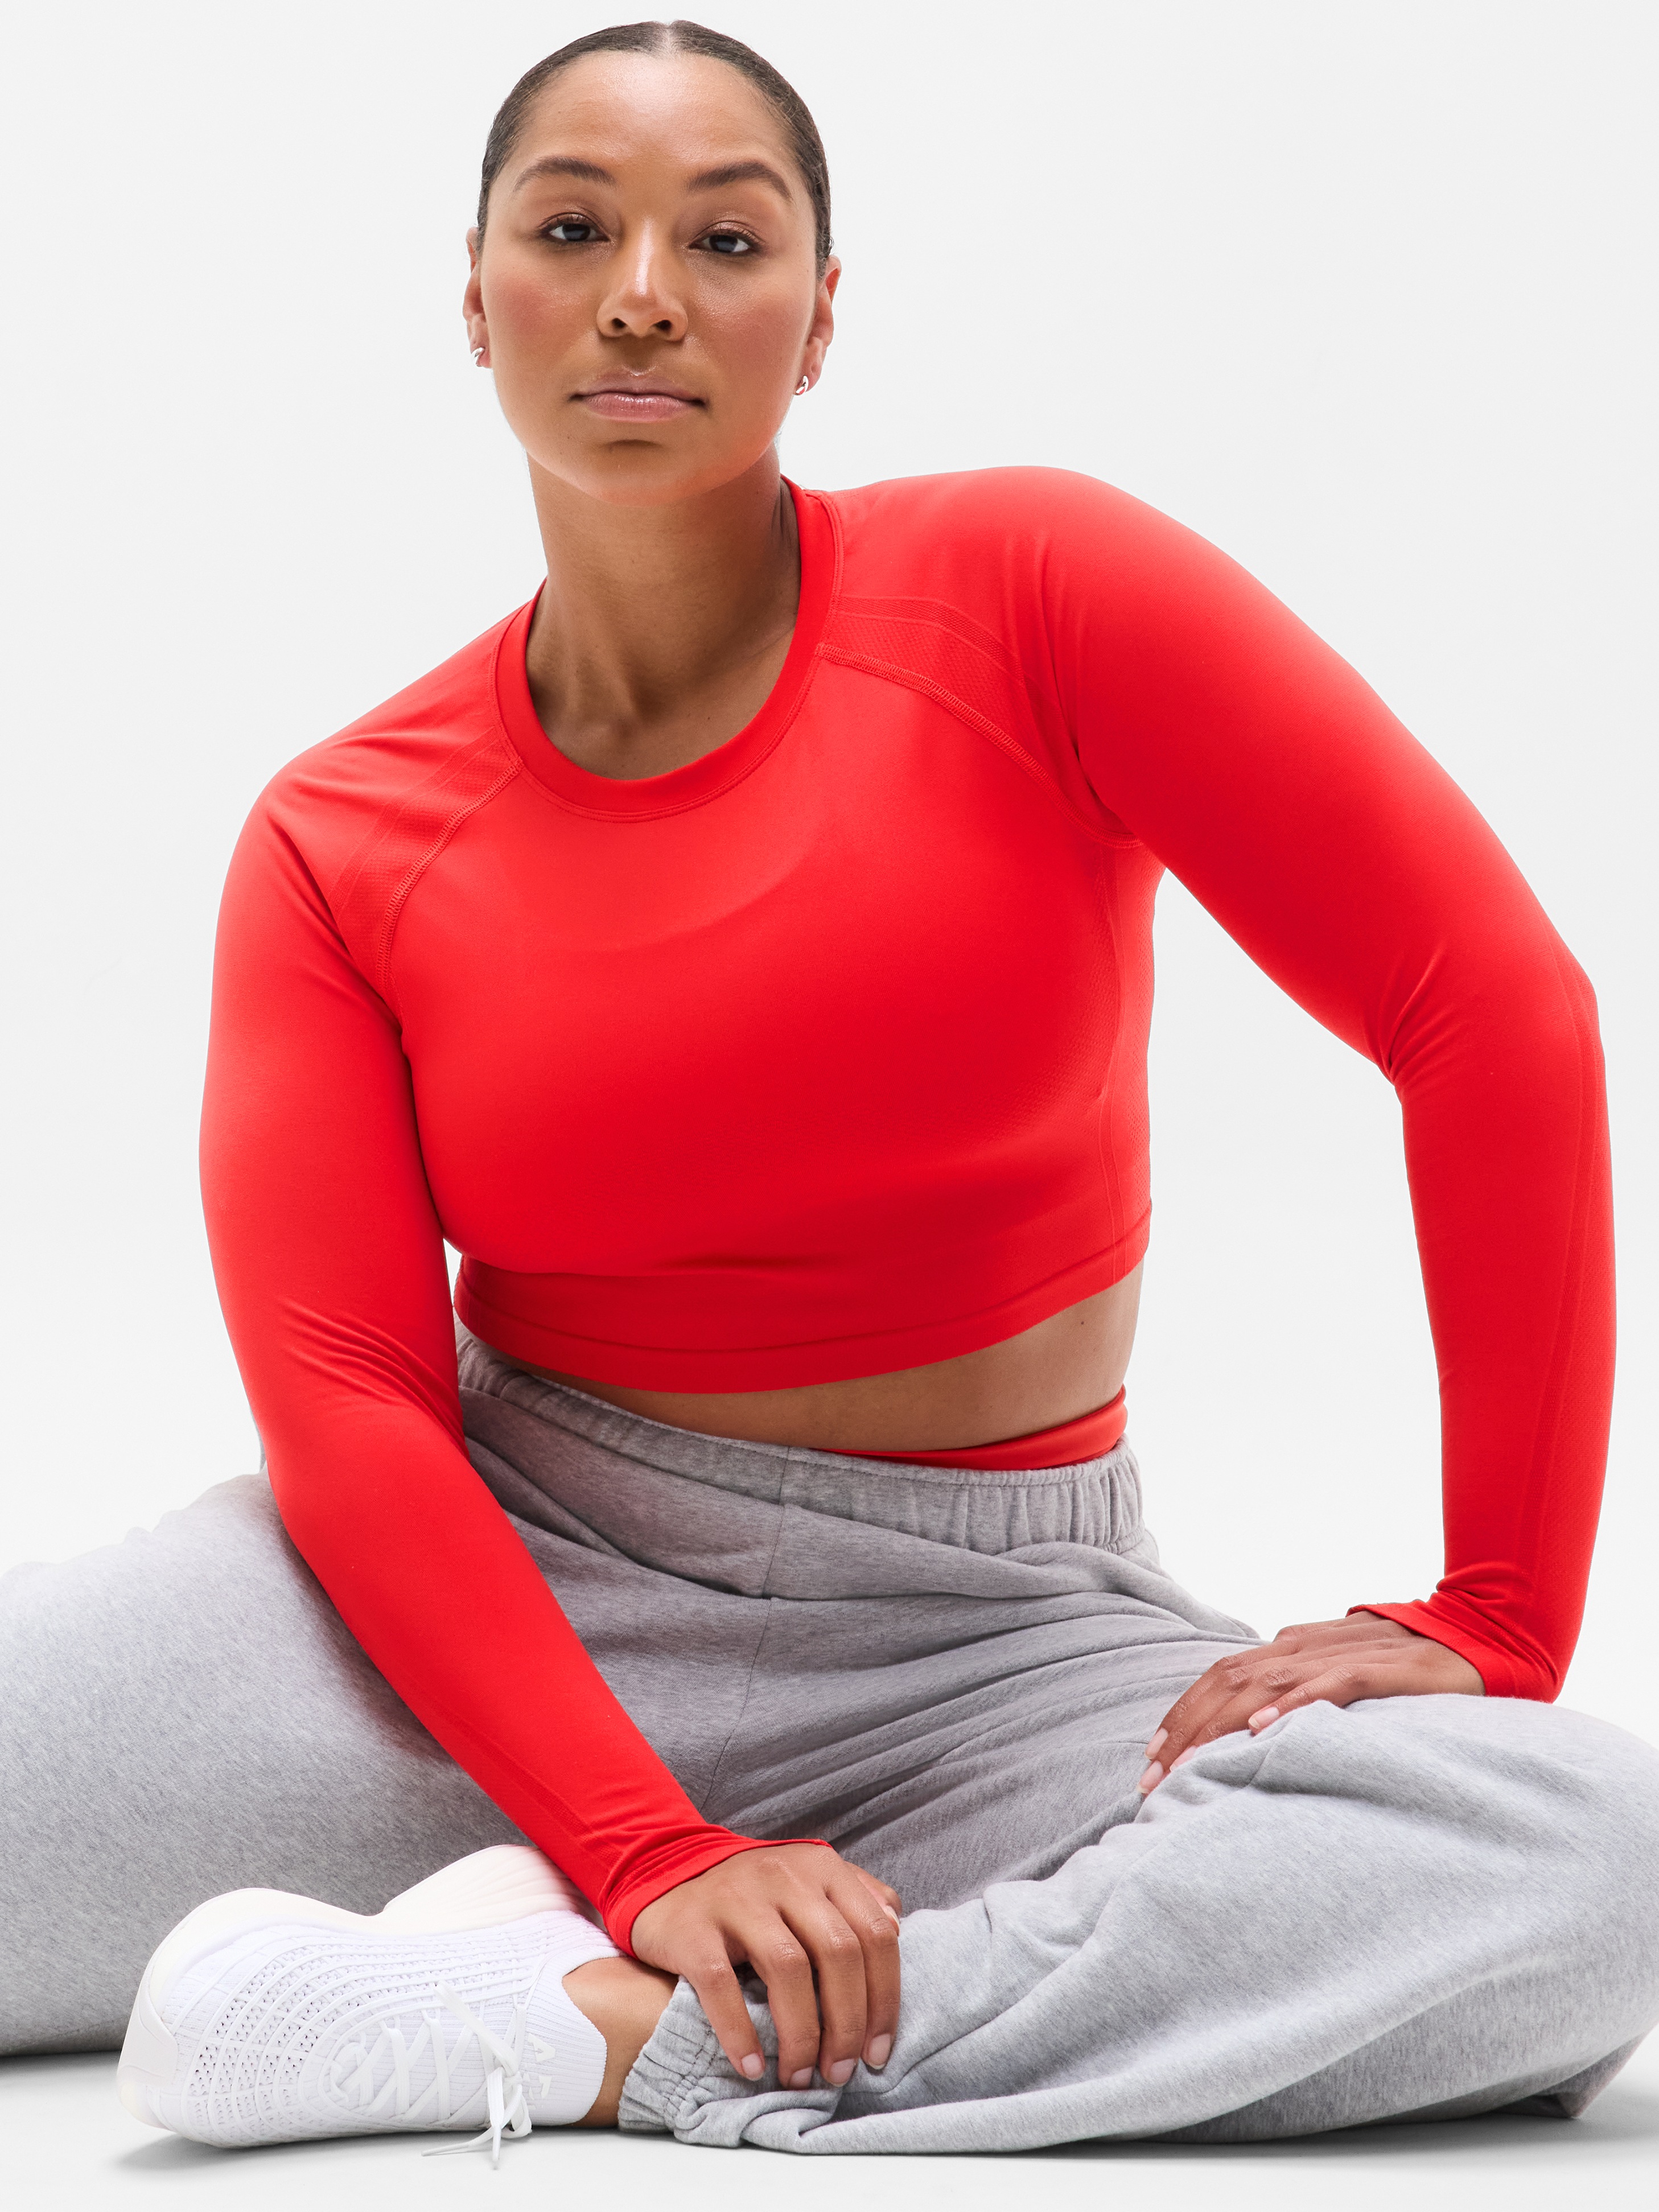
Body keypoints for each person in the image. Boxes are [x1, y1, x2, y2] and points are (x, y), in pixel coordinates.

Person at [5, 16, 1657, 2160]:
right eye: (571, 229)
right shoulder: (342, 836)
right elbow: (350, 1400)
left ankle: (573, 2031)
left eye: (726, 238)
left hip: (989, 1652)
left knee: (1587, 1860)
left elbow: (1488, 1011)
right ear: (477, 300)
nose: (642, 294)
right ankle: (684, 1950)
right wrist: (640, 1838)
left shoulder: (1038, 593)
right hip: (468, 1613)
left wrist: (1497, 1615)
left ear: (819, 317)